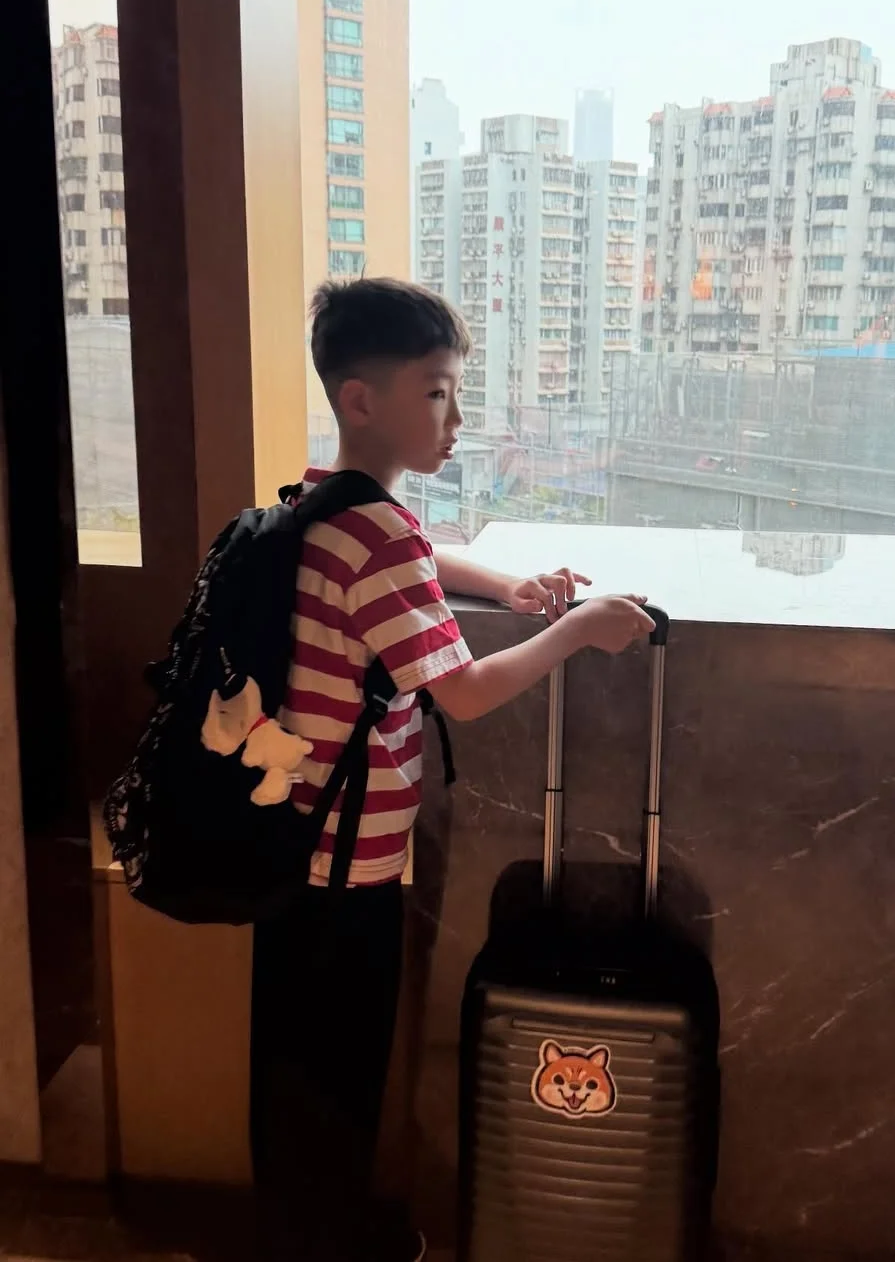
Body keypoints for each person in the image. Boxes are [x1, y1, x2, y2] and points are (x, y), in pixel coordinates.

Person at [249, 277, 654, 1262]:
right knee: (341, 1074)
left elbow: (420, 558)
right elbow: (463, 692)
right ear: (361, 400)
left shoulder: (323, 499)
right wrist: (579, 631)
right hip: (350, 863)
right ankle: (335, 1243)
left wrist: (507, 584)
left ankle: (302, 1232)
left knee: (291, 1065)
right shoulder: (379, 532)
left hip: (290, 841)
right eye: (436, 392)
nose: (457, 417)